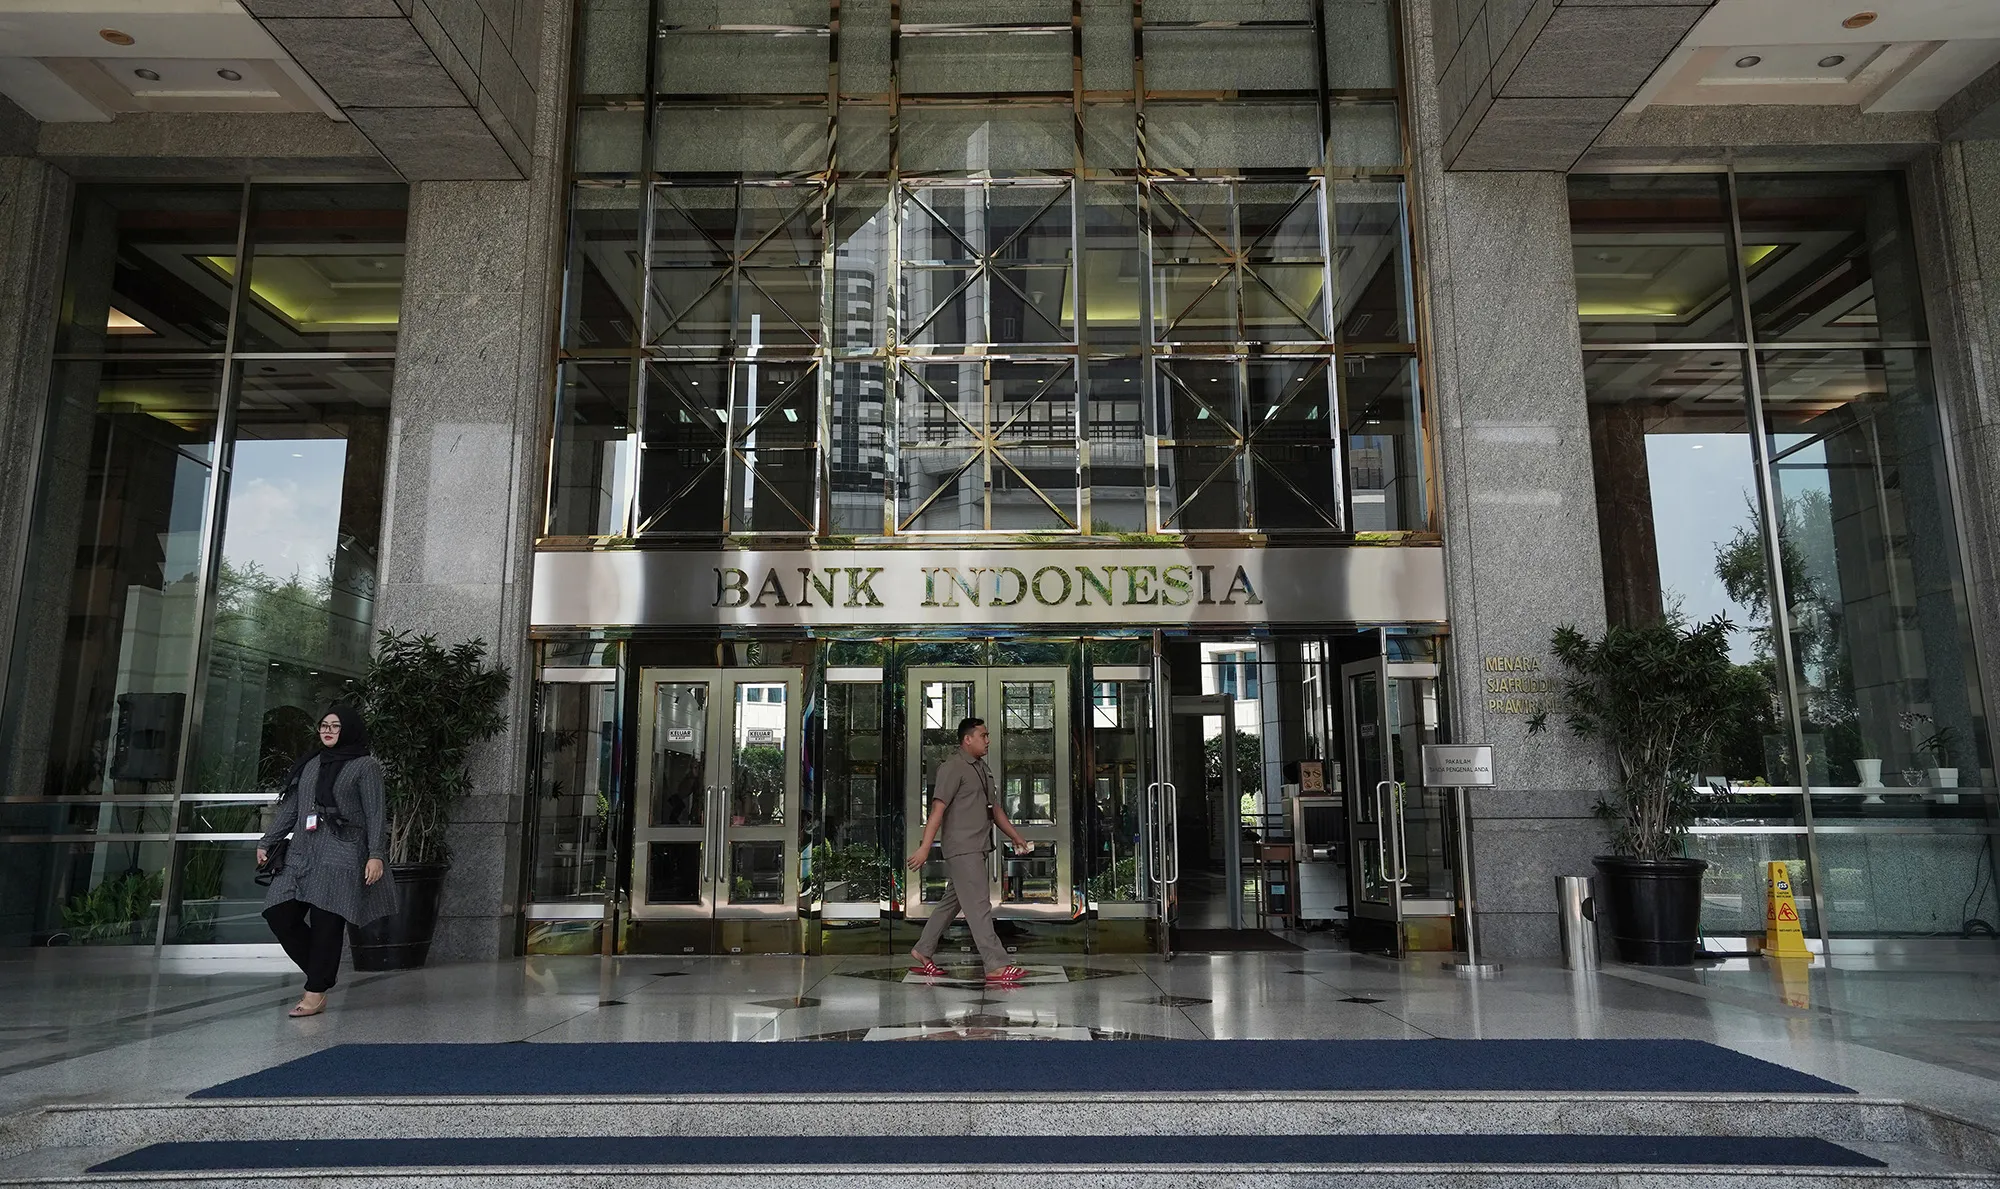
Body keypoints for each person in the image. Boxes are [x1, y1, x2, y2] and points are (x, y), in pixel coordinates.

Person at [255, 704, 399, 1017]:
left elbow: (376, 814)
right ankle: (322, 972)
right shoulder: (311, 763)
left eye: (335, 726)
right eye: (324, 725)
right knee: (278, 912)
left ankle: (315, 992)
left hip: (342, 851)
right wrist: (267, 841)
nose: (328, 731)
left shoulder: (365, 766)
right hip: (303, 851)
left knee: (326, 925)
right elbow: (293, 808)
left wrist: (376, 855)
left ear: (348, 729)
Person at [905, 717, 1033, 985]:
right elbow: (937, 809)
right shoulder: (952, 767)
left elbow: (994, 809)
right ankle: (996, 965)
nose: (988, 741)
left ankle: (923, 949)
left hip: (978, 846)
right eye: (983, 736)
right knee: (978, 906)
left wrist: (1016, 837)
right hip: (963, 848)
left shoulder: (982, 769)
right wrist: (925, 848)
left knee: (953, 902)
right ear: (967, 739)